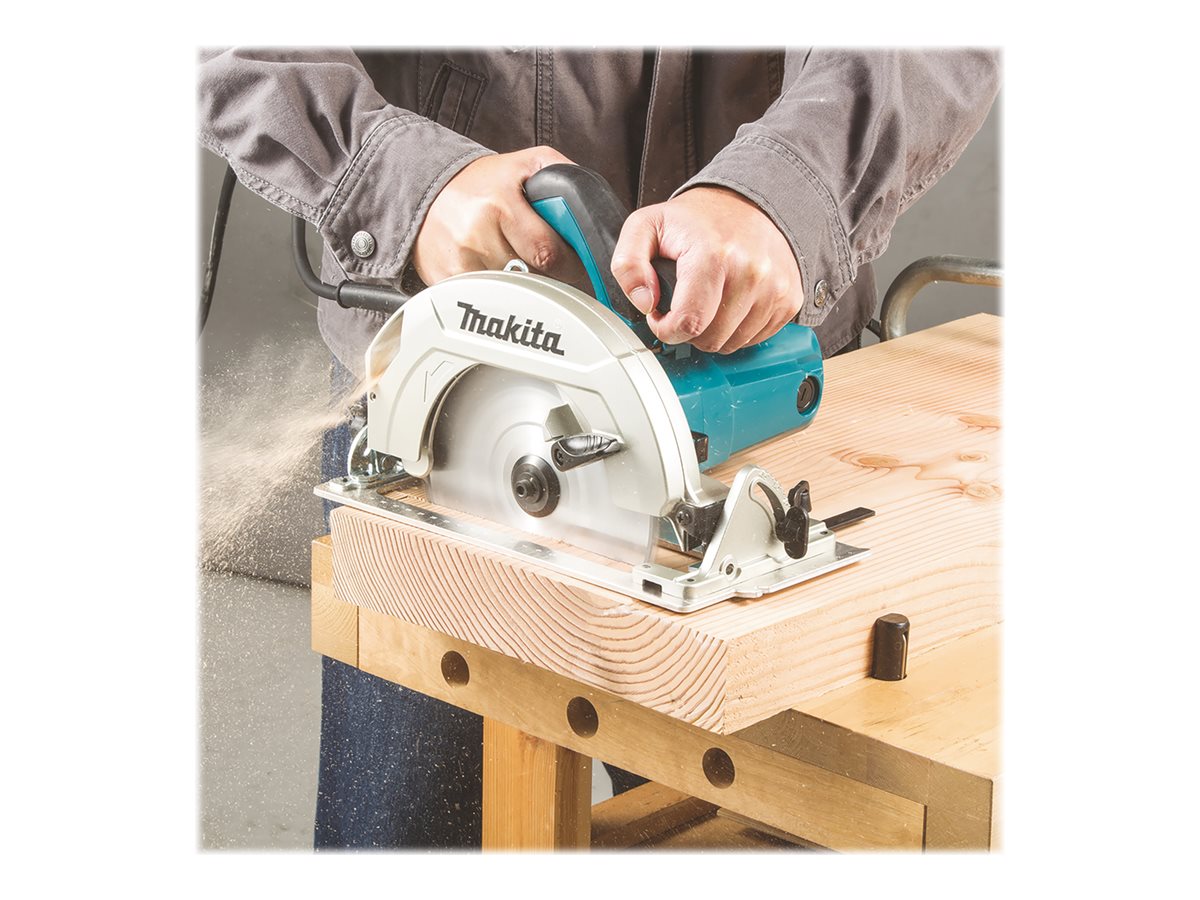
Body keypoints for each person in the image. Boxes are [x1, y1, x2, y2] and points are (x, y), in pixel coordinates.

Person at [198, 47, 1000, 848]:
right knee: (407, 837)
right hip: (445, 390)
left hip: (751, 317)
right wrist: (401, 175)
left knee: (766, 826)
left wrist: (786, 185)